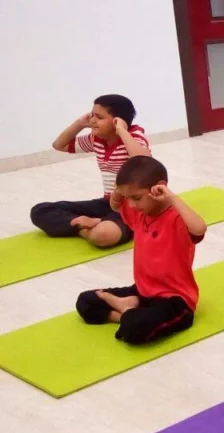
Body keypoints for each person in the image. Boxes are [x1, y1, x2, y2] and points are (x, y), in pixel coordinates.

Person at [75, 156, 206, 344]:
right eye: (129, 198)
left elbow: (199, 228)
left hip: (174, 300)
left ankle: (128, 312)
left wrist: (171, 196)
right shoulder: (139, 213)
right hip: (142, 291)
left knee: (135, 329)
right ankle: (127, 310)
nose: (132, 205)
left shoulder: (176, 219)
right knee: (86, 301)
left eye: (136, 198)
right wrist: (120, 192)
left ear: (159, 188)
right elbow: (115, 204)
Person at [30, 95, 151, 248]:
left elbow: (143, 160)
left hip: (134, 208)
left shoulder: (133, 136)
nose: (92, 120)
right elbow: (59, 145)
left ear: (117, 121)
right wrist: (79, 124)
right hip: (108, 203)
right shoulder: (97, 139)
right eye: (92, 115)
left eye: (99, 117)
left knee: (103, 235)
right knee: (40, 211)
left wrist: (121, 130)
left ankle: (96, 226)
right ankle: (87, 227)